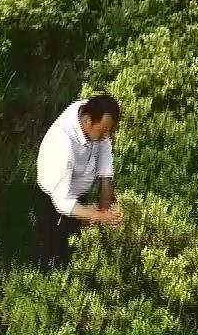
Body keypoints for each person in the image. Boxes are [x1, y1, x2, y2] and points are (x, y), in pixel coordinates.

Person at [35, 93, 122, 268]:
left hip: (78, 191)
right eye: (104, 131)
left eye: (110, 131)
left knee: (72, 241)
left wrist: (106, 210)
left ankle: (69, 263)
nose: (107, 137)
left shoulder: (94, 117)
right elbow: (62, 202)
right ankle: (46, 271)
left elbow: (105, 167)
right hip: (53, 197)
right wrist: (98, 216)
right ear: (87, 122)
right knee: (51, 244)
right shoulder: (63, 145)